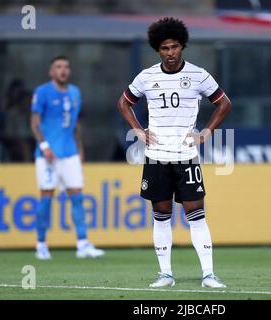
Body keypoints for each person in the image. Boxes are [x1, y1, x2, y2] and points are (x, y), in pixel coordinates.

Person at [117, 17, 232, 288]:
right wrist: (138, 129)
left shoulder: (198, 74)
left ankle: (208, 275)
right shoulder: (147, 77)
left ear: (183, 46)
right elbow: (123, 102)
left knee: (196, 213)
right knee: (161, 214)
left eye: (175, 47)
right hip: (157, 155)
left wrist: (206, 133)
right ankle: (165, 274)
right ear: (158, 49)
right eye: (165, 48)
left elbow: (224, 103)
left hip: (186, 155)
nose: (170, 53)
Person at [30, 55, 105, 260]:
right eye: (58, 67)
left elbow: (74, 123)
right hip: (47, 155)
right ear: (51, 71)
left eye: (66, 66)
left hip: (69, 153)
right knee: (46, 198)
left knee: (77, 197)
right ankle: (41, 244)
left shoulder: (74, 93)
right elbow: (35, 123)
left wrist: (79, 148)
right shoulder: (42, 92)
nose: (63, 70)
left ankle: (82, 244)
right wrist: (44, 146)